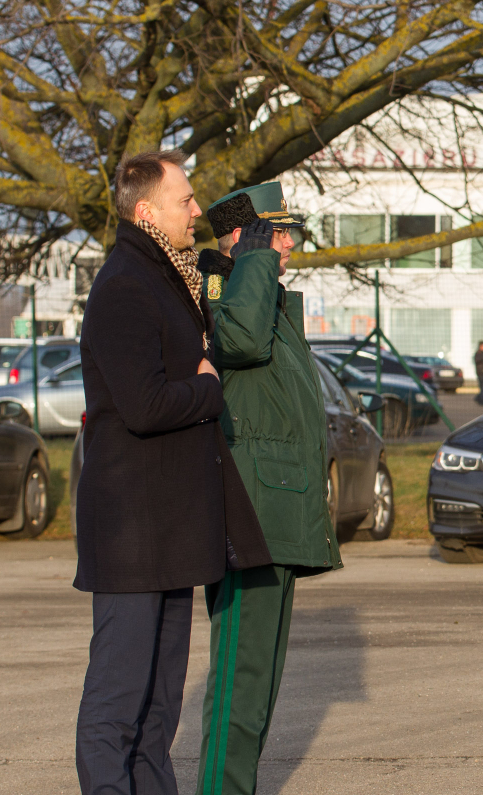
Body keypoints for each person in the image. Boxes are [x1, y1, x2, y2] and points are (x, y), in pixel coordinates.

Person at [74, 151, 271, 795]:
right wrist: (208, 389)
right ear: (145, 210)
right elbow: (145, 404)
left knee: (159, 706)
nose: (196, 211)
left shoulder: (171, 276)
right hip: (133, 527)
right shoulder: (126, 285)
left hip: (171, 526)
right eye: (185, 200)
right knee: (119, 697)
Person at [192, 183, 341, 795]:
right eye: (274, 234)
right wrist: (250, 263)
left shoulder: (265, 298)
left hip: (277, 507)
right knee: (239, 673)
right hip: (249, 510)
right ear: (240, 239)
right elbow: (239, 345)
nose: (287, 246)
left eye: (288, 234)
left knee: (261, 677)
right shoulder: (222, 293)